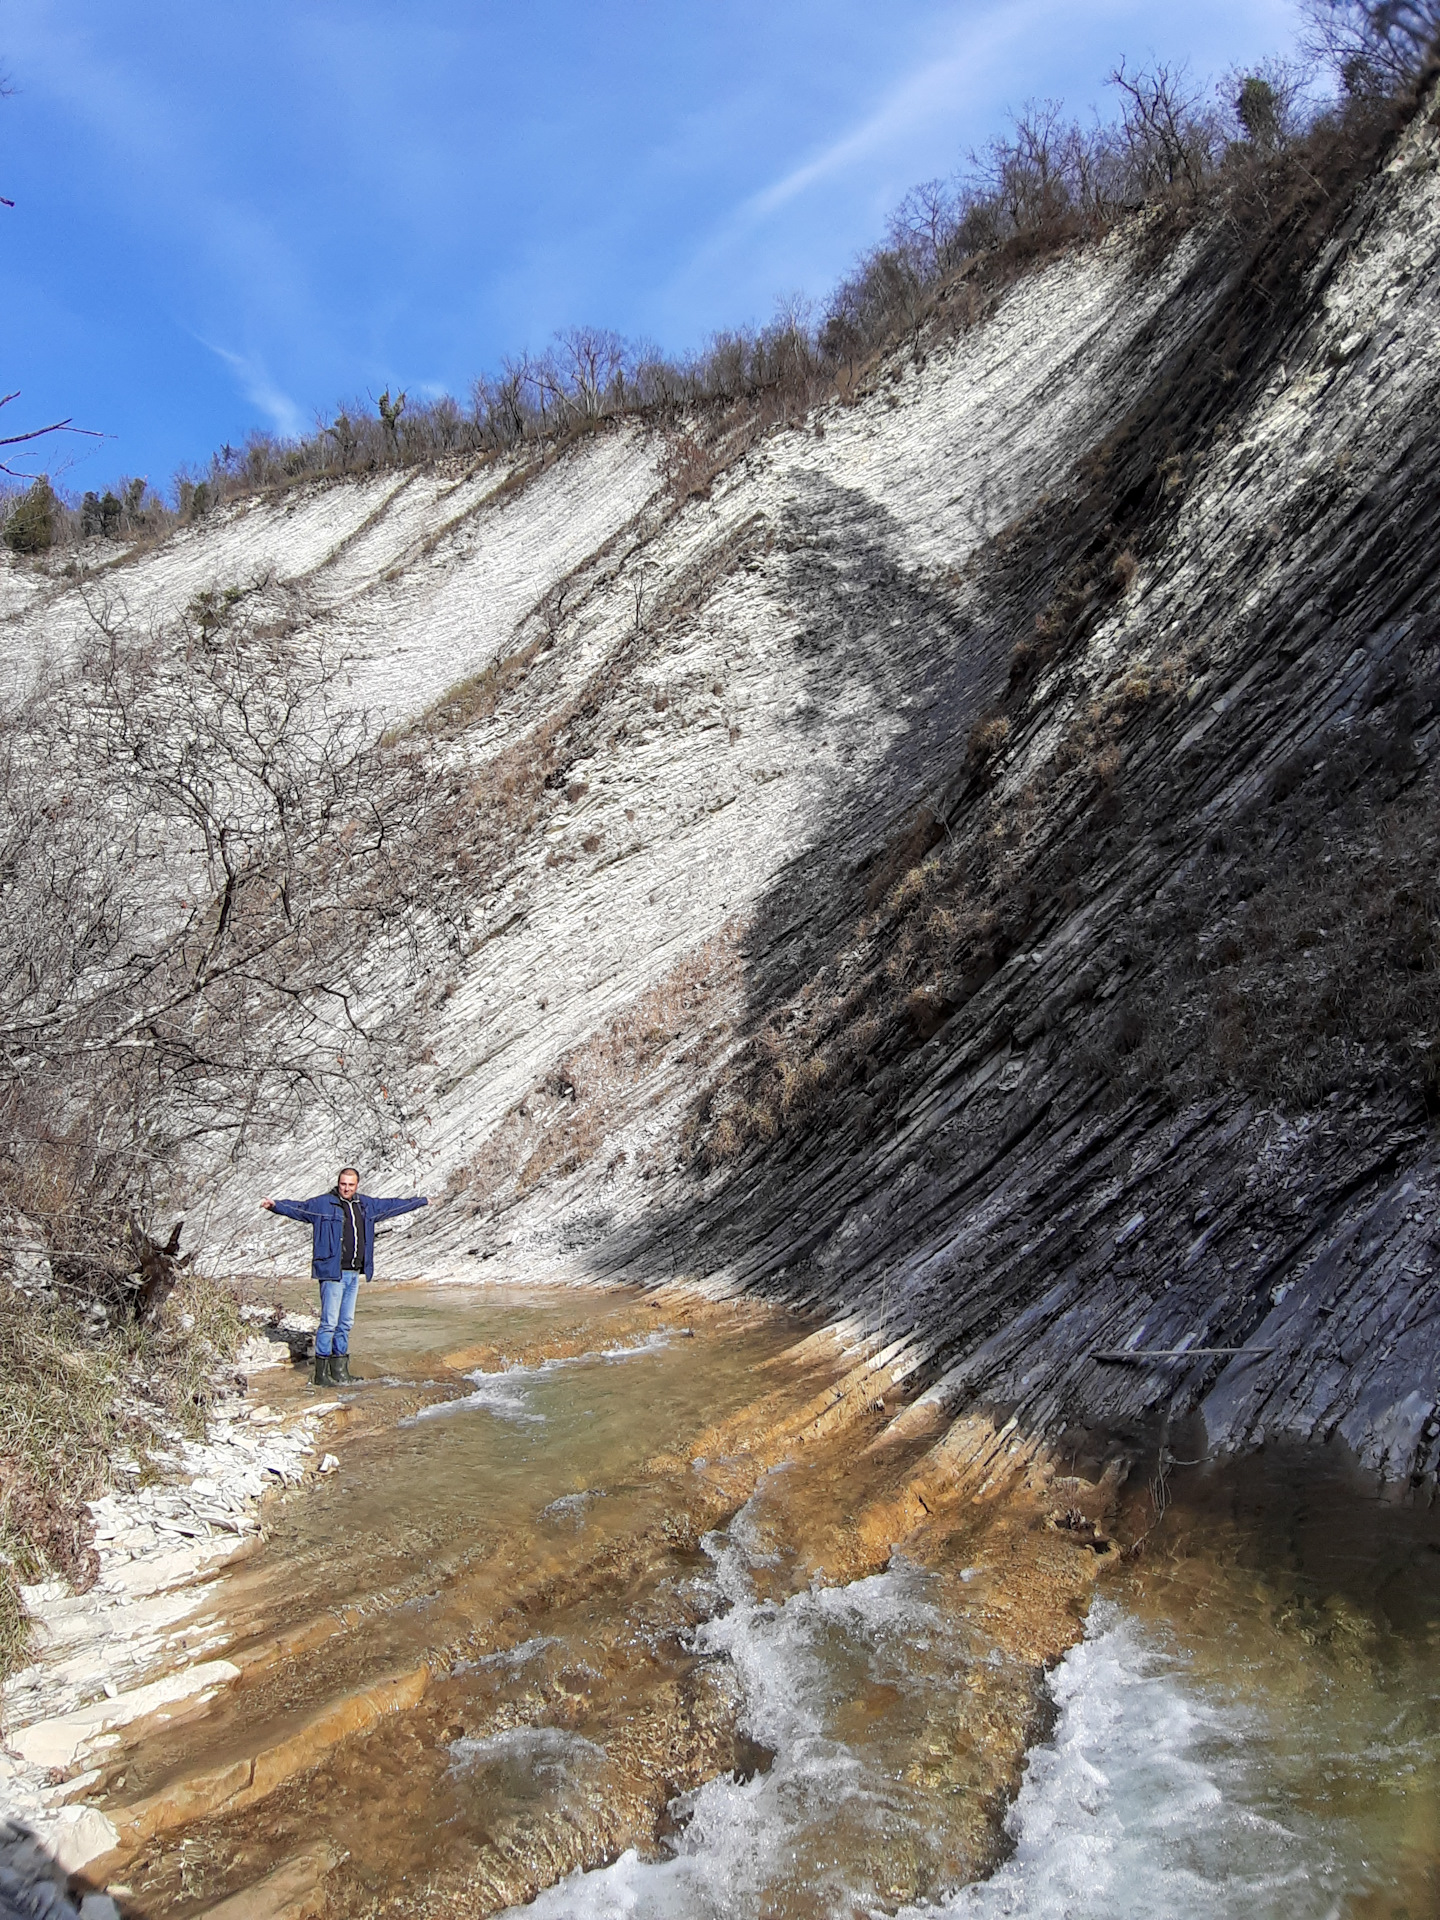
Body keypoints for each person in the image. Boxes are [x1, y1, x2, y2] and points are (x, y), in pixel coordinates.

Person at [261, 1167, 428, 1386]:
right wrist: (275, 1206)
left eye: (351, 1185)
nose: (346, 1188)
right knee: (329, 1322)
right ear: (338, 1183)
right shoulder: (323, 1204)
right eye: (343, 1184)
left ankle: (340, 1371)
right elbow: (298, 1209)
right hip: (332, 1271)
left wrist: (421, 1201)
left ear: (357, 1185)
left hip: (353, 1273)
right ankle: (321, 1375)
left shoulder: (366, 1205)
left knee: (346, 1323)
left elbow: (393, 1205)